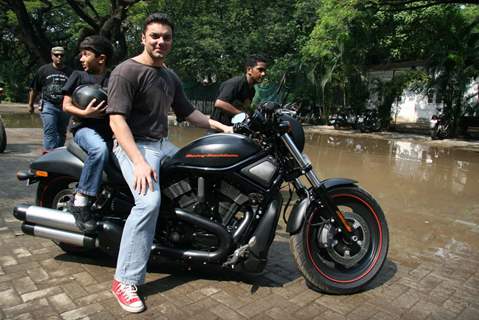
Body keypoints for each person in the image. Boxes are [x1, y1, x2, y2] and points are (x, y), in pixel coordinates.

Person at [106, 13, 232, 313]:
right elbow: (116, 120)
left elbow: (189, 113)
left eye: (166, 37)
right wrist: (138, 161)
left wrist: (224, 128)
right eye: (155, 36)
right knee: (148, 202)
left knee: (202, 170)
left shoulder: (169, 76)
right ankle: (124, 279)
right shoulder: (126, 72)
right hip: (132, 146)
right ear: (143, 38)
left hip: (161, 144)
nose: (161, 41)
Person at [62, 35, 114, 233]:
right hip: (84, 128)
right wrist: (85, 113)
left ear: (101, 58)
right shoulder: (77, 76)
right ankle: (80, 200)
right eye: (81, 55)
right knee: (99, 150)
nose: (81, 58)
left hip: (108, 131)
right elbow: (66, 105)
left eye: (85, 54)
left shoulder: (112, 78)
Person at [28, 46, 73, 152]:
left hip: (64, 106)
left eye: (61, 55)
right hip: (48, 105)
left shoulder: (70, 72)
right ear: (52, 56)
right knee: (50, 130)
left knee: (61, 132)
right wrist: (30, 104)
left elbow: (74, 92)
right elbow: (34, 89)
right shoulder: (43, 70)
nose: (59, 57)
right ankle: (48, 155)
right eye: (56, 55)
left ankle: (57, 154)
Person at [209, 54, 267, 127]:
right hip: (218, 132)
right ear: (249, 70)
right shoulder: (236, 83)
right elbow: (220, 103)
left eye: (264, 70)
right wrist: (242, 114)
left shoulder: (252, 90)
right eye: (260, 70)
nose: (263, 74)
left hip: (232, 130)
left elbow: (245, 108)